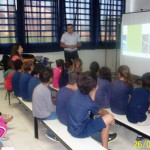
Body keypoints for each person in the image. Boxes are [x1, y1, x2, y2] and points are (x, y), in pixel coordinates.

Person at [67, 71, 116, 150]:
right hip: (79, 131)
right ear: (93, 87)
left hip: (72, 127)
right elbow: (102, 112)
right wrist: (111, 119)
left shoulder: (78, 92)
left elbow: (91, 102)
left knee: (102, 118)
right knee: (109, 117)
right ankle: (105, 148)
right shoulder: (88, 102)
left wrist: (94, 90)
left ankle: (102, 141)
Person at [32, 67, 57, 142]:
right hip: (42, 115)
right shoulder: (46, 90)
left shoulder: (39, 86)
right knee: (62, 115)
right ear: (50, 79)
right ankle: (50, 133)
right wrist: (58, 108)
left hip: (36, 112)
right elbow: (51, 109)